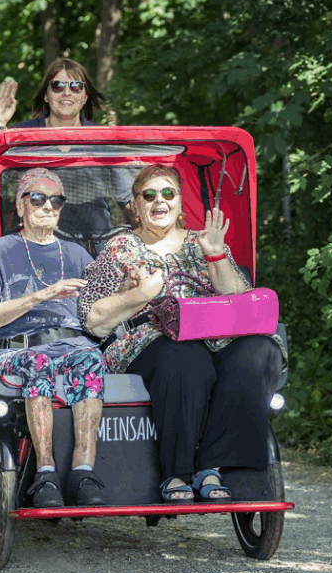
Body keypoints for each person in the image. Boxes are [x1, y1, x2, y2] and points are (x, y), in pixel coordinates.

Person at [76, 165, 283, 503]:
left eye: (168, 193)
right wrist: (136, 295)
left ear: (179, 202)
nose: (160, 201)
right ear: (136, 205)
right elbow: (92, 319)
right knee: (187, 358)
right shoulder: (120, 248)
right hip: (152, 340)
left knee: (260, 351)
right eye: (150, 195)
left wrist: (215, 253)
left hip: (216, 334)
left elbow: (243, 303)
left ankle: (216, 465)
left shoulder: (201, 241)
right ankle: (177, 472)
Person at [0, 168, 108, 508]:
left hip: (73, 344)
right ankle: (45, 472)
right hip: (19, 347)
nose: (47, 206)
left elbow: (102, 310)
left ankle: (83, 470)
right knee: (37, 362)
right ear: (21, 204)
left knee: (90, 359)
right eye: (38, 198)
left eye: (56, 200)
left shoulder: (77, 255)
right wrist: (41, 296)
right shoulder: (0, 250)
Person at [0, 57, 107, 134]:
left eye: (75, 86)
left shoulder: (102, 137)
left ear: (85, 97)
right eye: (57, 86)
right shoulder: (21, 134)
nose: (66, 93)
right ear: (46, 95)